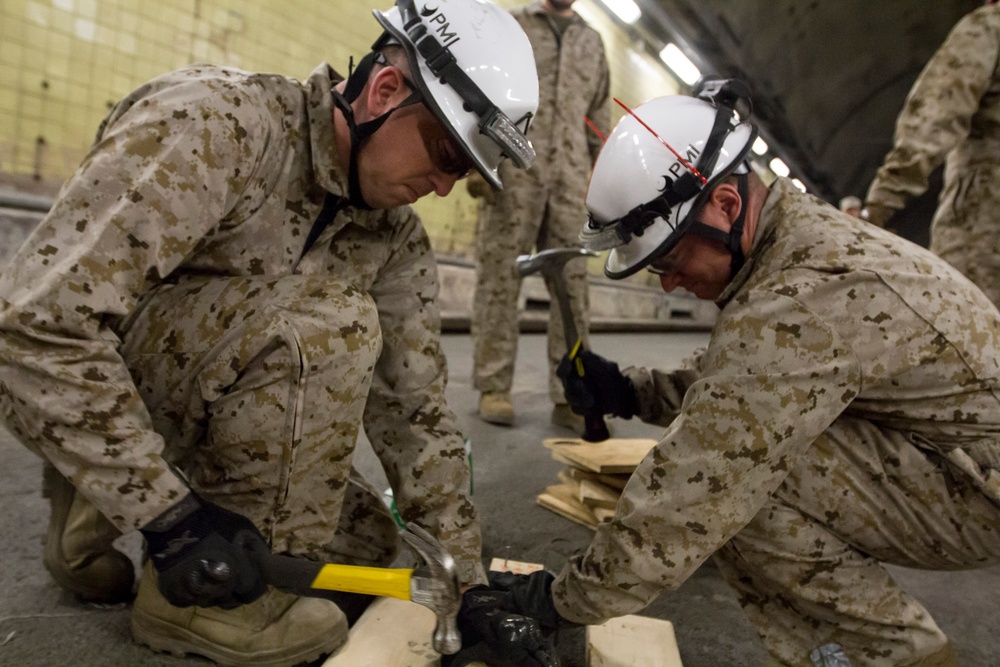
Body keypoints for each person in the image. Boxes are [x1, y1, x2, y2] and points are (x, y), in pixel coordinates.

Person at [0, 1, 552, 665]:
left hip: (215, 409)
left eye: (459, 176)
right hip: (117, 382)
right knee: (331, 324)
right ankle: (197, 599)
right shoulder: (216, 124)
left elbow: (416, 413)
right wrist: (169, 518)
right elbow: (33, 325)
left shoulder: (395, 235)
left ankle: (103, 493)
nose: (440, 187)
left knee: (368, 543)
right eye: (443, 154)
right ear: (384, 90)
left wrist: (465, 582)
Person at [472, 82, 1000, 666]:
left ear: (724, 204)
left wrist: (562, 600)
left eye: (670, 261)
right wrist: (631, 389)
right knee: (750, 451)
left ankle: (893, 656)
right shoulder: (796, 242)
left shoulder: (802, 295)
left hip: (980, 485)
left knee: (742, 481)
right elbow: (745, 379)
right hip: (954, 457)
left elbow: (702, 476)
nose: (669, 283)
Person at [467, 0, 610, 431]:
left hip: (570, 181)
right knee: (499, 280)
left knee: (572, 290)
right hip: (514, 174)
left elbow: (599, 118)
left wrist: (600, 186)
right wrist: (477, 163)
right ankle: (494, 386)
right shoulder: (512, 25)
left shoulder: (593, 41)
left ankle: (569, 393)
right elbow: (479, 95)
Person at [864, 2, 1000, 307]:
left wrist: (882, 201)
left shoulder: (991, 25)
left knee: (964, 335)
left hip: (984, 232)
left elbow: (938, 110)